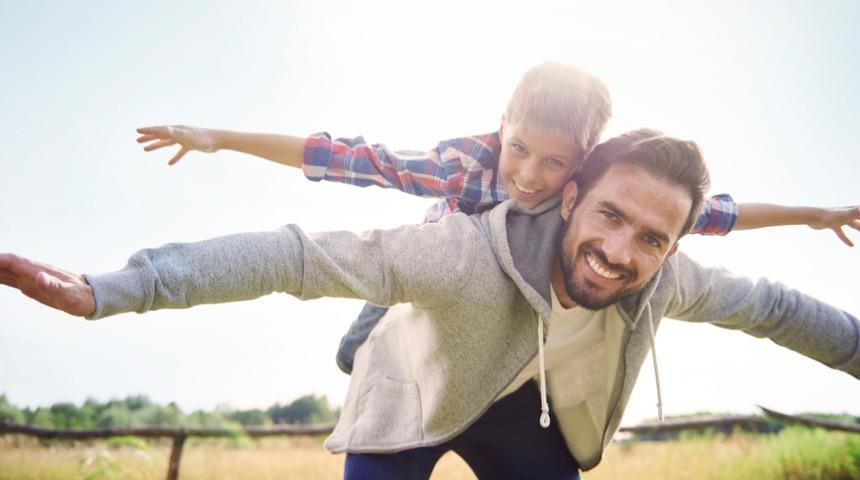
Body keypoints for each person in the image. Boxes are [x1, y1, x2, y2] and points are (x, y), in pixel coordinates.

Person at [2, 129, 858, 479]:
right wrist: (111, 291)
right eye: (610, 217)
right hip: (410, 397)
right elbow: (295, 256)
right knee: (381, 346)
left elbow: (776, 307)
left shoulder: (670, 273)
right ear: (568, 200)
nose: (621, 253)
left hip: (523, 411)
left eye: (653, 238)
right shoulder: (459, 247)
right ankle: (365, 344)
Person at [135, 63, 860, 376]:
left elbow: (717, 213)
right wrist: (220, 137)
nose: (530, 176)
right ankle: (371, 367)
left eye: (556, 165)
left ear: (581, 162)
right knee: (366, 337)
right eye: (520, 151)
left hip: (514, 289)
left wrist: (810, 214)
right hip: (430, 265)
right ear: (501, 125)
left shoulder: (598, 184)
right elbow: (348, 157)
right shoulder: (459, 169)